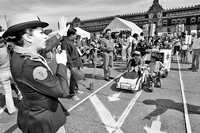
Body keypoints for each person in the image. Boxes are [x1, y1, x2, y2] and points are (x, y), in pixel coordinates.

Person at [3, 13, 70, 133]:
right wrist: (62, 64)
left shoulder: (20, 53)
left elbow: (46, 47)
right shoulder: (30, 65)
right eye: (41, 32)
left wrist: (60, 33)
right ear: (28, 37)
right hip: (44, 119)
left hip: (32, 111)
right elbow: (62, 90)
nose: (45, 36)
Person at [61, 28, 84, 101]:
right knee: (72, 79)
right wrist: (71, 65)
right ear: (71, 34)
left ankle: (76, 89)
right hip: (72, 64)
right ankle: (72, 94)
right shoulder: (65, 42)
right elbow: (66, 55)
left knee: (75, 78)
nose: (76, 36)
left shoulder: (71, 41)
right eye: (75, 34)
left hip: (76, 62)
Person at [0, 32, 17, 114]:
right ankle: (25, 101)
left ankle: (11, 109)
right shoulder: (7, 49)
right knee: (21, 86)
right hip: (10, 70)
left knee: (7, 92)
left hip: (2, 73)